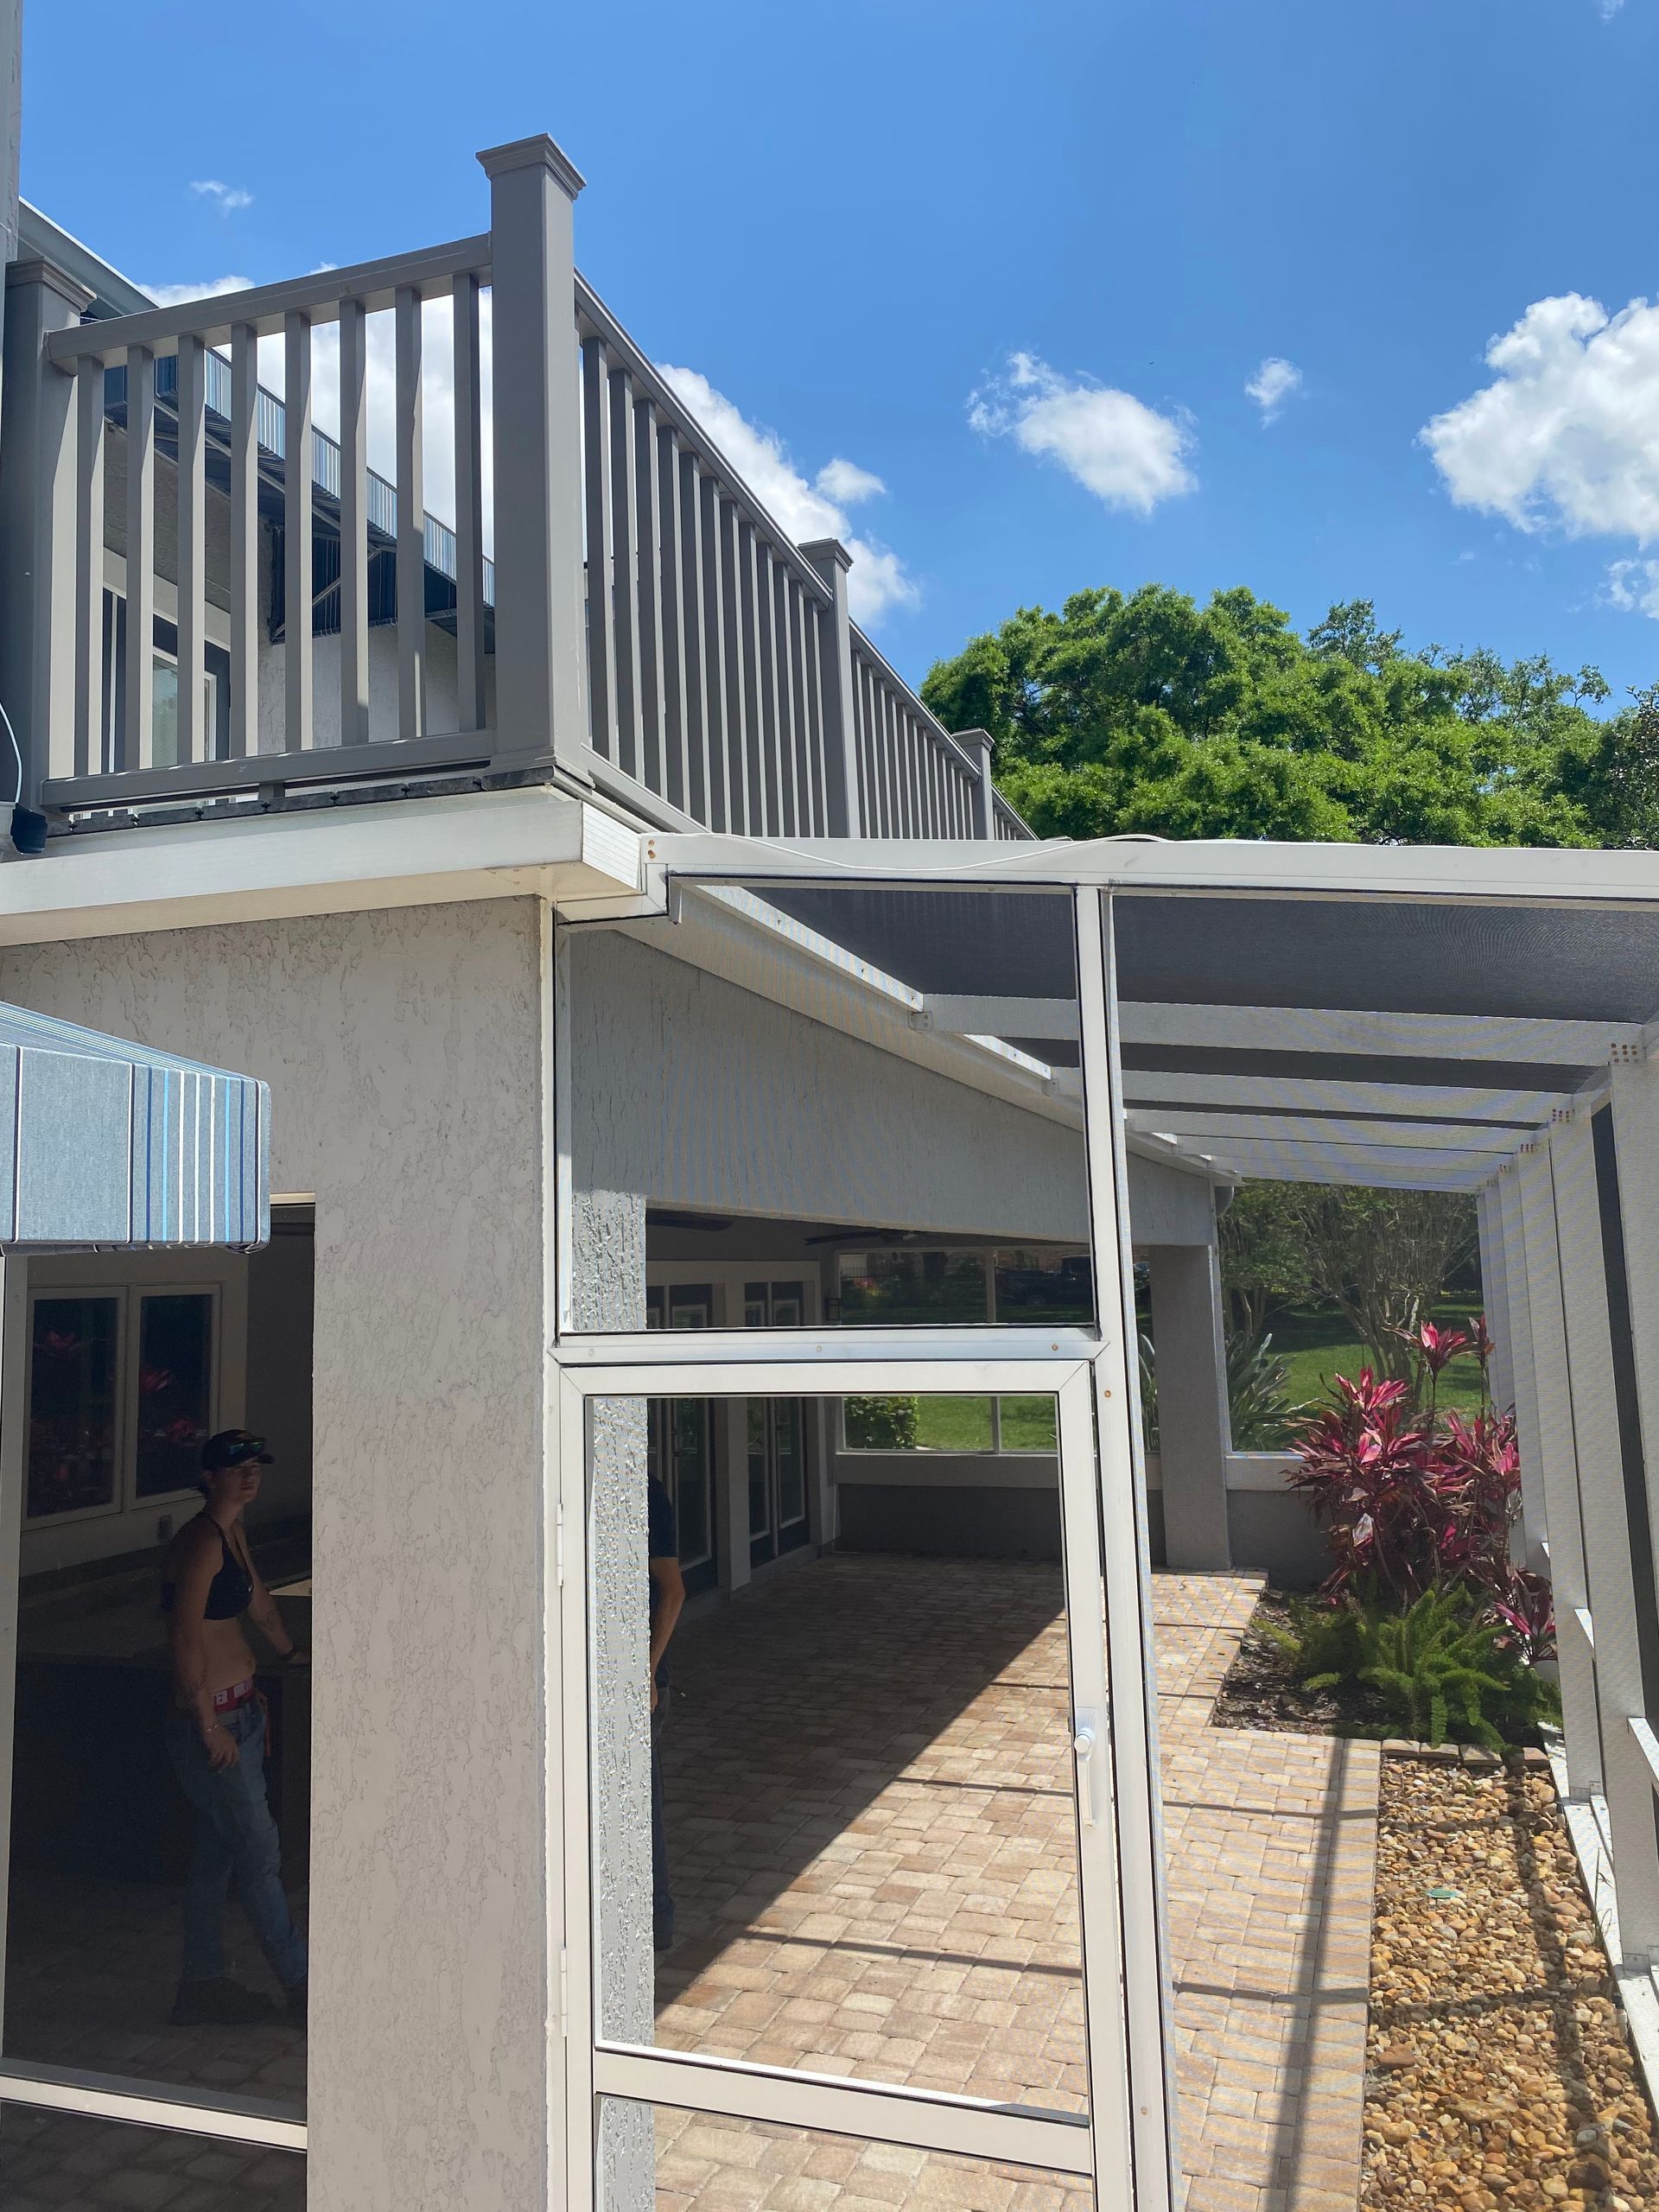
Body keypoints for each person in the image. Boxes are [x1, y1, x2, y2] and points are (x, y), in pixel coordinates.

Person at [162, 1429, 308, 2028]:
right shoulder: (198, 1543)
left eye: (256, 1466)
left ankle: (201, 1983)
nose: (250, 1476)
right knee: (258, 1851)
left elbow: (261, 1606)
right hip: (215, 1718)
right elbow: (185, 1637)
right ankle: (302, 1987)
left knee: (218, 1852)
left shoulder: (233, 1535)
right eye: (236, 1468)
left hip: (242, 1711)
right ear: (209, 1478)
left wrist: (289, 1652)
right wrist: (207, 1725)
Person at [647, 1471, 685, 1954]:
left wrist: (648, 1672)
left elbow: (673, 1590)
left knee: (642, 1807)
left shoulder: (647, 1491)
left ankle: (656, 1924)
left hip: (642, 1680)